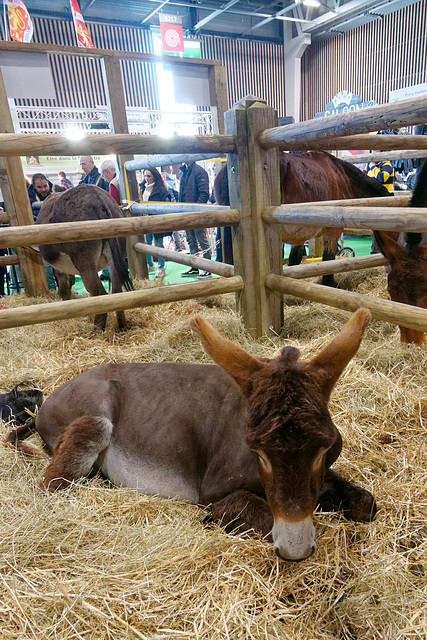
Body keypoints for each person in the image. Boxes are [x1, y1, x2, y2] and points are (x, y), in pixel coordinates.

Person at [179, 161, 212, 279]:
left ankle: (208, 267)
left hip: (196, 213)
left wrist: (196, 210)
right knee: (191, 239)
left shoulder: (199, 171)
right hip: (187, 212)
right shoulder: (184, 172)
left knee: (201, 239)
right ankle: (195, 266)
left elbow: (204, 194)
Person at [140, 167, 172, 279]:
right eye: (145, 176)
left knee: (158, 244)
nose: (146, 178)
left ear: (155, 176)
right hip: (144, 221)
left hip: (157, 221)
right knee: (146, 244)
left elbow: (166, 207)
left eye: (149, 176)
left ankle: (161, 266)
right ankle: (150, 264)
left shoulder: (162, 190)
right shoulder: (141, 188)